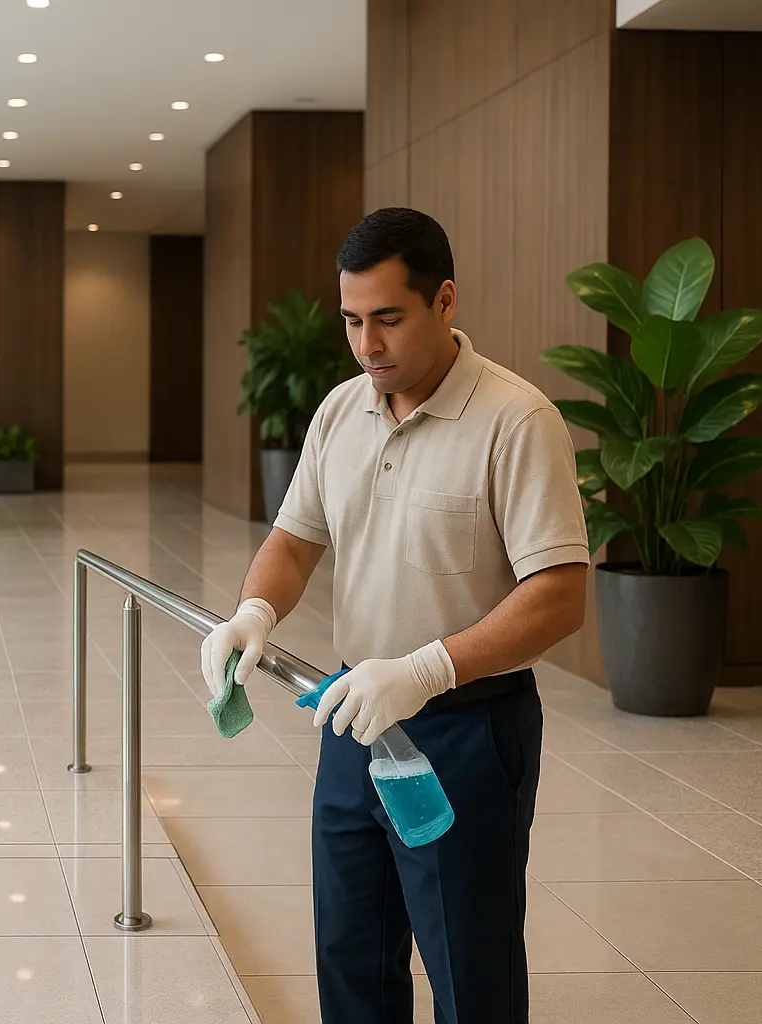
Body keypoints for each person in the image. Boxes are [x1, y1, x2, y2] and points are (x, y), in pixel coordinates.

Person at [200, 208, 588, 1024]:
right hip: (354, 715)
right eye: (350, 321)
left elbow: (559, 594)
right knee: (351, 958)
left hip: (468, 729)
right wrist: (254, 610)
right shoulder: (341, 411)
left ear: (444, 302)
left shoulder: (515, 422)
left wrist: (426, 669)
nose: (366, 344)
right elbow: (295, 538)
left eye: (387, 319)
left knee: (467, 970)